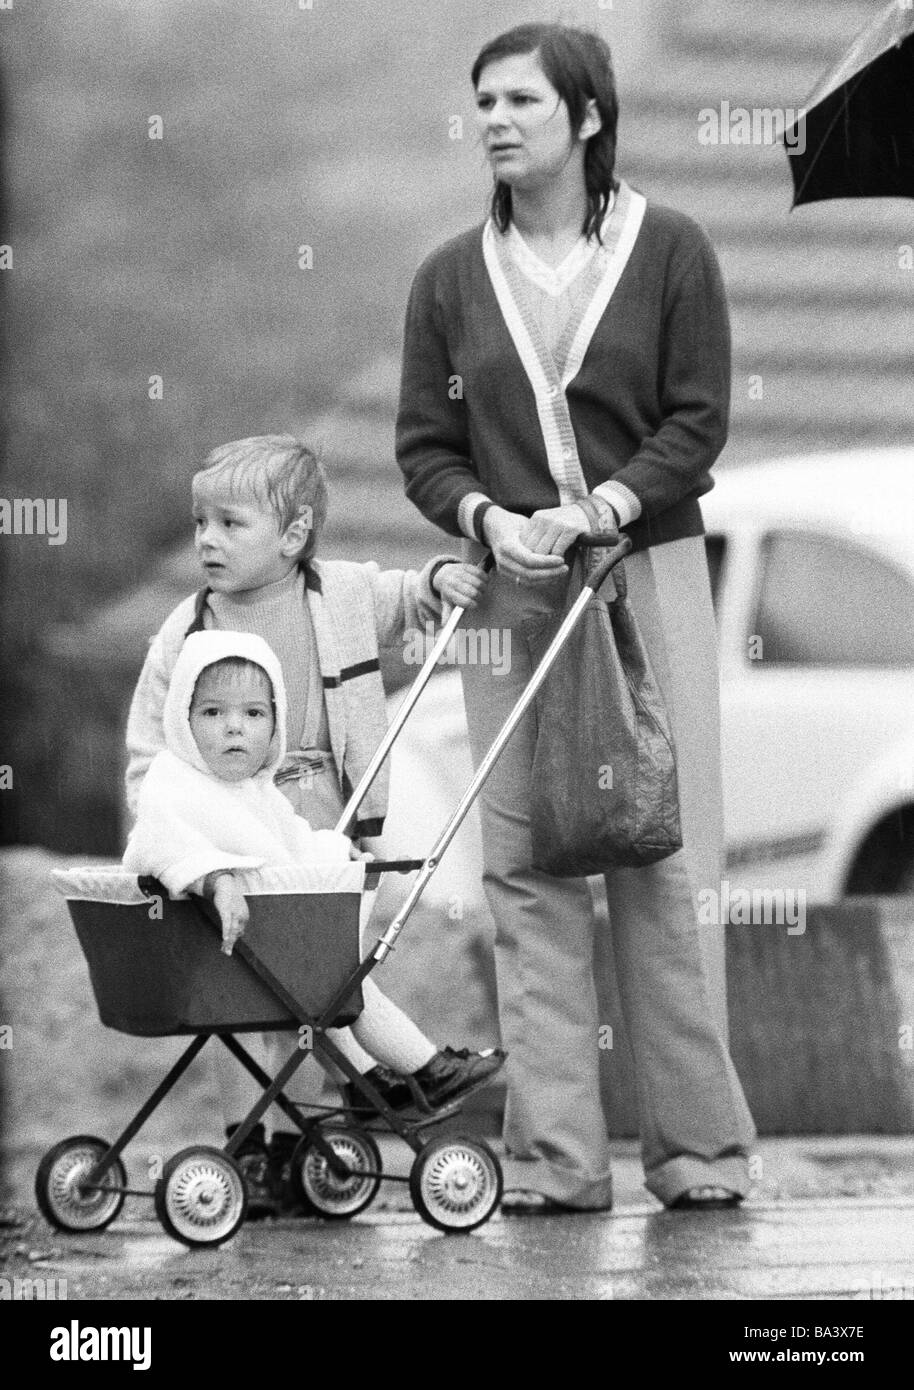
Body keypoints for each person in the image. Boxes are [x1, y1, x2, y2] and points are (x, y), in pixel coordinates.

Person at [396, 22, 756, 1212]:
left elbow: (697, 420)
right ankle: (556, 1161)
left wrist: (611, 496)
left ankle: (697, 1155)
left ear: (587, 118)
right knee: (526, 870)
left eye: (519, 102)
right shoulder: (449, 277)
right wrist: (486, 518)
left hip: (644, 573)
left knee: (664, 860)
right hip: (511, 592)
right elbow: (423, 449)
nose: (494, 120)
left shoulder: (672, 252)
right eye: (481, 101)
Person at [124, 435, 502, 1213]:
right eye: (200, 523)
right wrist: (170, 836)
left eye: (230, 524)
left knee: (319, 977)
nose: (205, 541)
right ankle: (259, 1140)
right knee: (245, 992)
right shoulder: (185, 628)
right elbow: (148, 748)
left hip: (322, 816)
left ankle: (312, 1131)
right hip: (229, 825)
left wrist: (439, 577)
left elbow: (410, 596)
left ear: (292, 537)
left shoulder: (340, 593)